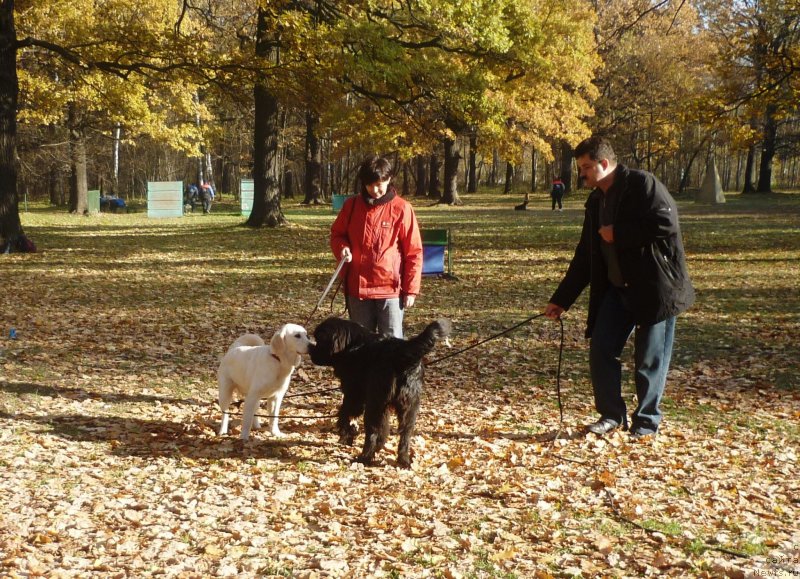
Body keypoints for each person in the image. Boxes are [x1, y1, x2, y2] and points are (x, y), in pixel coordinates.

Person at [544, 136, 695, 438]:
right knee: (601, 349)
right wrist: (561, 299)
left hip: (655, 288)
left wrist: (619, 233)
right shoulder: (596, 201)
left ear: (603, 163)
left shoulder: (642, 185)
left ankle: (646, 421)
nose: (582, 173)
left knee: (649, 359)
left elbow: (667, 224)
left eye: (586, 167)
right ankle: (612, 416)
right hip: (617, 289)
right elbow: (586, 255)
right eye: (580, 168)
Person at [330, 155, 423, 338]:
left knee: (392, 345)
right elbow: (337, 234)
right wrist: (342, 248)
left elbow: (414, 252)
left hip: (390, 290)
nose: (375, 190)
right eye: (370, 185)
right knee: (360, 345)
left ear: (388, 180)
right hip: (358, 289)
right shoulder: (351, 206)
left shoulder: (402, 209)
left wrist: (411, 290)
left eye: (379, 184)